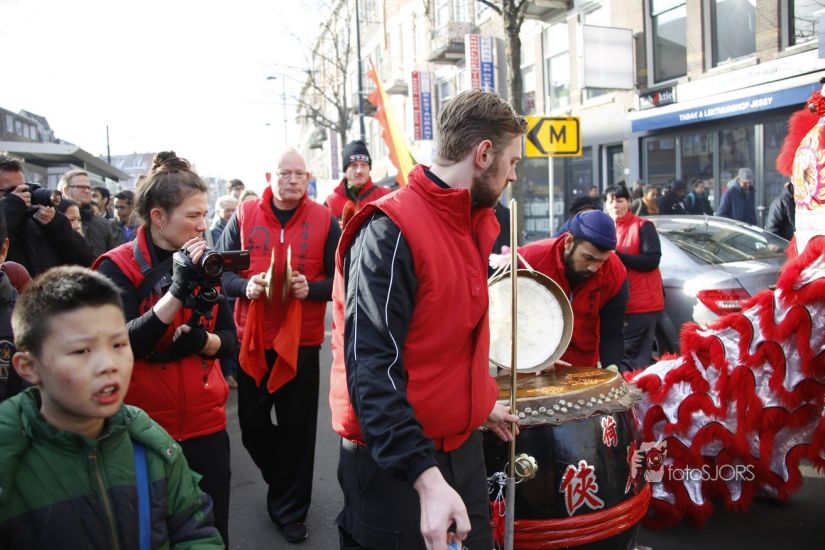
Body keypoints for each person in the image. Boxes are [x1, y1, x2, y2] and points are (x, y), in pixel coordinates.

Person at [330, 89, 523, 550]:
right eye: (512, 161)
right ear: (484, 154)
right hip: (397, 467)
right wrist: (425, 477)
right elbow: (372, 369)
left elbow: (443, 340)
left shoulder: (469, 223)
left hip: (460, 451)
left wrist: (475, 403)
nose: (514, 175)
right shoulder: (389, 230)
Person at [0, 266, 224, 548]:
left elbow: (196, 533)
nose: (109, 365)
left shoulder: (151, 445)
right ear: (29, 367)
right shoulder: (9, 466)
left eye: (119, 344)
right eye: (82, 351)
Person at [94, 152, 236, 546]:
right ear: (158, 217)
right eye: (193, 215)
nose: (203, 225)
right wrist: (176, 293)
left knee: (212, 534)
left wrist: (203, 342)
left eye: (205, 214)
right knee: (151, 537)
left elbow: (230, 338)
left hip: (207, 427)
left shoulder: (203, 258)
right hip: (141, 430)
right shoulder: (115, 266)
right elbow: (120, 344)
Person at [217, 148, 340, 544]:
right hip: (253, 338)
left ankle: (291, 511)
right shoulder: (244, 213)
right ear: (270, 177)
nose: (292, 180)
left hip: (302, 341)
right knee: (252, 425)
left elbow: (342, 278)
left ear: (308, 179)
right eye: (285, 173)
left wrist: (311, 289)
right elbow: (222, 275)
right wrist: (246, 286)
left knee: (298, 430)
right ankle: (285, 480)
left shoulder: (324, 219)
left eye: (299, 174)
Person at [520, 210, 628, 369]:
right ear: (569, 242)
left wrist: (613, 369)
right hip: (527, 360)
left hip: (580, 367)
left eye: (601, 261)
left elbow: (612, 331)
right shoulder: (528, 260)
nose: (593, 268)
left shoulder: (614, 272)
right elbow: (504, 321)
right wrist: (535, 358)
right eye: (588, 258)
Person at [0, 156, 95, 276]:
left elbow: (85, 259)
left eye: (23, 189)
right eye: (11, 191)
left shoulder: (36, 221)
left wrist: (56, 223)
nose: (21, 196)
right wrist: (11, 208)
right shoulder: (10, 218)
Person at [604, 184, 664, 371]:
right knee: (621, 358)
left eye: (620, 200)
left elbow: (652, 260)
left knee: (632, 360)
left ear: (629, 202)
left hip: (642, 304)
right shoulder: (607, 229)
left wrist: (618, 256)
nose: (615, 205)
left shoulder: (643, 226)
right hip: (617, 304)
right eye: (610, 201)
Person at [323, 140, 392, 225]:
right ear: (345, 170)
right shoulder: (331, 202)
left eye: (363, 165)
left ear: (369, 168)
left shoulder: (386, 196)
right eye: (354, 165)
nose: (359, 171)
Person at [58, 170, 123, 257]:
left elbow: (114, 258)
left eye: (89, 188)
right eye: (81, 187)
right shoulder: (53, 221)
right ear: (66, 190)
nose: (87, 191)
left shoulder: (103, 224)